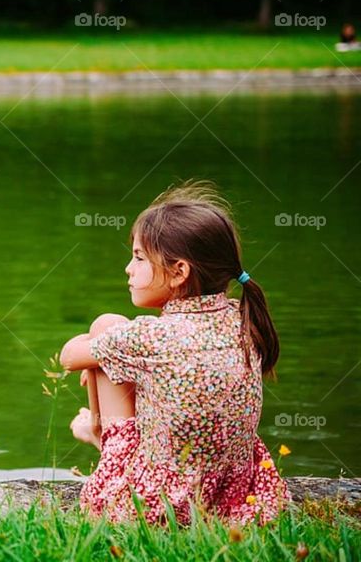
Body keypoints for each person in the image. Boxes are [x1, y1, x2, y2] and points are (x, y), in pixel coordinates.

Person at [59, 180, 289, 525]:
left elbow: (68, 356)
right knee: (112, 343)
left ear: (179, 271)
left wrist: (99, 353)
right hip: (235, 496)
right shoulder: (243, 320)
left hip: (161, 508)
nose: (128, 269)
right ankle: (101, 427)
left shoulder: (152, 335)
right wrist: (110, 354)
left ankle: (99, 432)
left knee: (106, 324)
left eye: (138, 258)